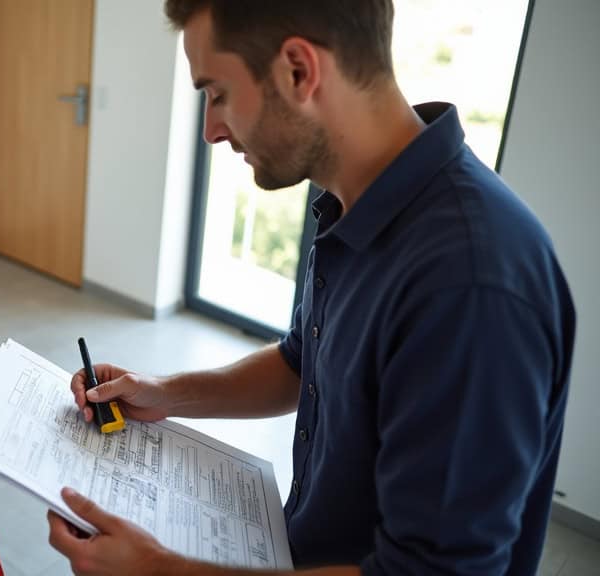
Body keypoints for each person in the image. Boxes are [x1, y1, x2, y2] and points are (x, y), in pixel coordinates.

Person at [45, 1, 577, 574]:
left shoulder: (472, 282)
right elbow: (302, 366)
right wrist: (164, 392)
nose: (211, 131)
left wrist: (158, 570)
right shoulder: (354, 207)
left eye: (218, 93)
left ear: (298, 70)